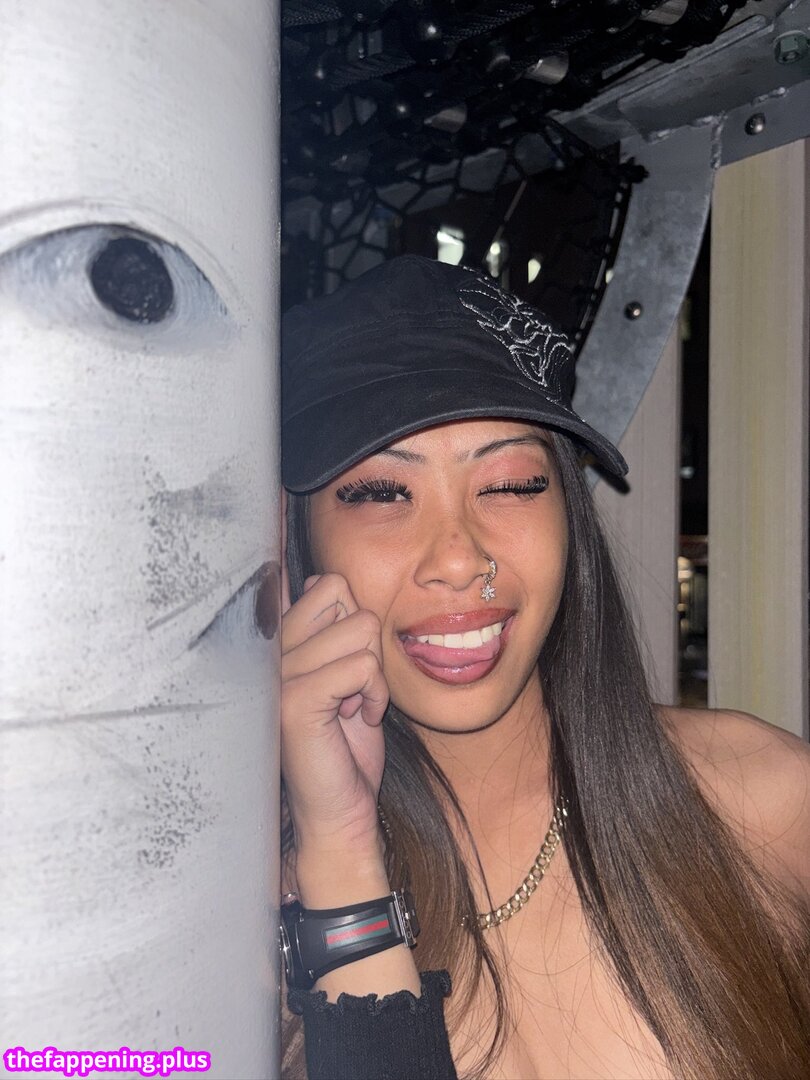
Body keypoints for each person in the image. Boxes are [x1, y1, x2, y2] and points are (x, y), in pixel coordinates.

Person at [278, 255, 810, 1080]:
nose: (459, 558)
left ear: (569, 514)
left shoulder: (765, 800)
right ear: (298, 542)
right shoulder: (236, 910)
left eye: (510, 484)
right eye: (383, 493)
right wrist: (342, 856)